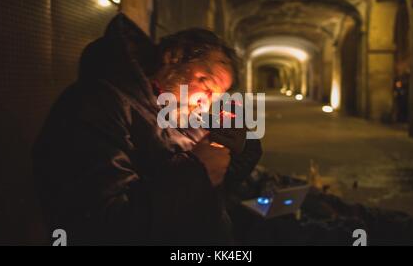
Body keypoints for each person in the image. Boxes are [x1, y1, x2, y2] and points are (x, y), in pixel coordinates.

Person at [33, 13, 261, 245]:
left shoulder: (175, 107)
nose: (207, 102)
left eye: (217, 96)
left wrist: (242, 146)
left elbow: (220, 186)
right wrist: (196, 173)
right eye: (206, 82)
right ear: (174, 56)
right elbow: (102, 223)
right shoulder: (95, 105)